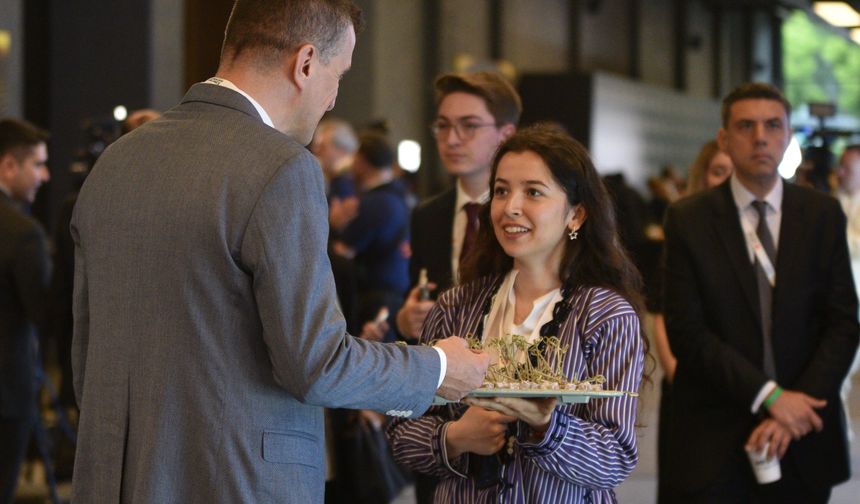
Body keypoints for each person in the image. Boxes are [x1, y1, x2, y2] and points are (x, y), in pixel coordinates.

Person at [69, 2, 489, 502]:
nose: (333, 99)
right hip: (235, 482)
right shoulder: (281, 168)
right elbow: (316, 363)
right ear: (306, 63)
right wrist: (438, 368)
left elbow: (86, 358)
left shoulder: (116, 161)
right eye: (339, 75)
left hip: (112, 478)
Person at [387, 125, 648, 503]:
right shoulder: (456, 306)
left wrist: (547, 425)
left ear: (575, 215)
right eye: (501, 191)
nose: (511, 207)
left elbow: (614, 459)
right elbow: (400, 433)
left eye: (534, 192)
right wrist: (457, 438)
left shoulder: (606, 315)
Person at [662, 83, 859, 503]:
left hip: (803, 430)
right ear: (724, 139)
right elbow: (687, 333)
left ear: (788, 136)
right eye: (746, 126)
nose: (760, 137)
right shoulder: (689, 220)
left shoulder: (822, 215)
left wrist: (793, 411)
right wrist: (769, 396)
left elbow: (842, 323)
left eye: (773, 126)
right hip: (717, 433)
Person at [395, 71, 521, 342]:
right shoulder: (427, 216)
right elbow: (419, 291)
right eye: (443, 125)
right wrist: (407, 320)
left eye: (470, 126)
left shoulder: (523, 214)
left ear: (506, 134)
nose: (452, 139)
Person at [0, 118, 51, 504]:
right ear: (8, 167)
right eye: (37, 164)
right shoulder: (22, 233)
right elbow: (43, 312)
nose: (44, 175)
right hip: (7, 395)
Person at [332, 133, 410, 342]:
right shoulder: (399, 195)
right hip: (394, 291)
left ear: (363, 162)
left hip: (376, 296)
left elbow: (342, 251)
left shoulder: (375, 203)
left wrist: (333, 224)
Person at [834, 143, 860, 440]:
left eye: (847, 168)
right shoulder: (832, 203)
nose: (840, 173)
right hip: (842, 306)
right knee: (839, 371)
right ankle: (839, 428)